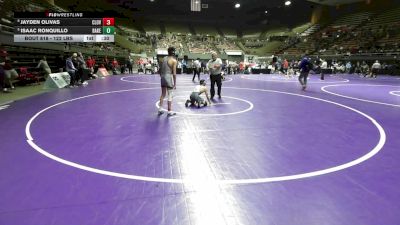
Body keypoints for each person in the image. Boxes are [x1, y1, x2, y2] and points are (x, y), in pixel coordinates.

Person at [158, 47, 177, 116]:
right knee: (170, 94)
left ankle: (160, 109)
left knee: (163, 94)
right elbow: (174, 74)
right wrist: (175, 84)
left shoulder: (164, 58)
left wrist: (161, 76)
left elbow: (160, 70)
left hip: (162, 77)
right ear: (174, 52)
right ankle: (169, 111)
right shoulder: (174, 61)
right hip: (168, 77)